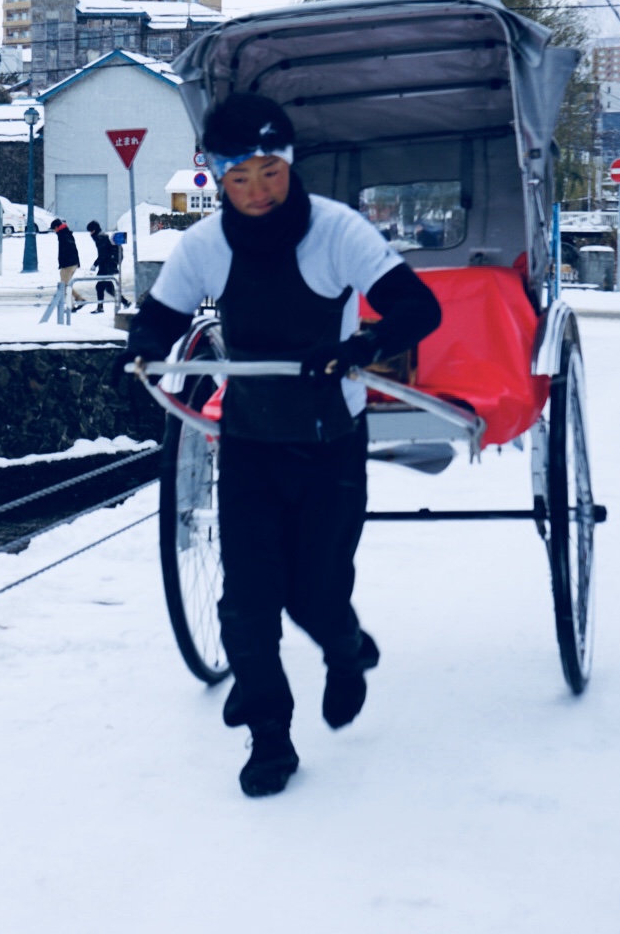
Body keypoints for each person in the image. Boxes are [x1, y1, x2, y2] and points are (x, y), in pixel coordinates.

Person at [122, 94, 441, 798]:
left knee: (315, 594)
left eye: (270, 172)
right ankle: (269, 734)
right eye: (241, 179)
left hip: (330, 442)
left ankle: (345, 650)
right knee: (247, 601)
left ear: (289, 165)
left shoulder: (336, 232)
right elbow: (160, 317)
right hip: (249, 441)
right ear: (220, 179)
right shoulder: (205, 246)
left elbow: (420, 307)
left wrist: (361, 344)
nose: (258, 192)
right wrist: (144, 347)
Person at [86, 220, 132, 313]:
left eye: (91, 231)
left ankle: (101, 307)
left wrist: (95, 264)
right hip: (108, 265)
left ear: (94, 230)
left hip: (106, 266)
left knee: (100, 287)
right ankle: (125, 302)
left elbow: (103, 254)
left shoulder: (100, 238)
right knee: (108, 288)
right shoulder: (102, 236)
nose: (90, 234)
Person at [52, 219, 85, 310]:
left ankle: (72, 305)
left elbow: (65, 251)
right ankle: (77, 300)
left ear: (56, 227)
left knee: (65, 286)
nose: (54, 232)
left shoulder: (63, 235)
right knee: (67, 285)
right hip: (73, 263)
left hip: (67, 264)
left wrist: (63, 262)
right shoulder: (67, 233)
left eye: (53, 229)